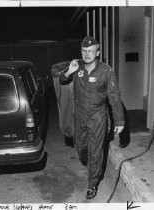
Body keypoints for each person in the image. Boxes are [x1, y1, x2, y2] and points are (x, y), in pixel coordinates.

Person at [59, 36, 124, 200]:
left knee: (96, 151)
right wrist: (69, 70)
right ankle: (91, 164)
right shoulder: (77, 67)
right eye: (84, 51)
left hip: (97, 116)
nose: (87, 54)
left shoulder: (106, 71)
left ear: (98, 52)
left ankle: (92, 183)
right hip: (80, 116)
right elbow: (61, 79)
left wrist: (120, 121)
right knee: (81, 149)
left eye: (90, 51)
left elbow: (114, 96)